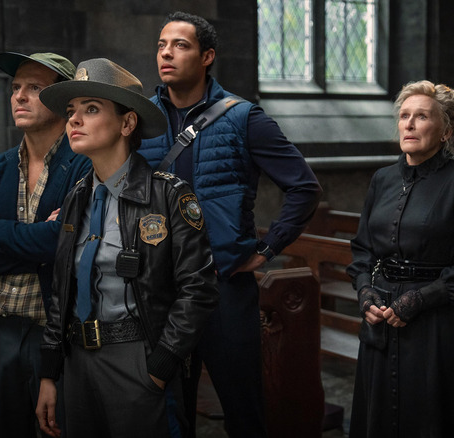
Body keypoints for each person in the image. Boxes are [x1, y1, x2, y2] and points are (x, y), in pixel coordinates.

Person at [138, 11, 322, 437]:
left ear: (208, 56)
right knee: (169, 413)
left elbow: (305, 188)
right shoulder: (139, 120)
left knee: (244, 411)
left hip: (223, 288)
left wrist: (267, 249)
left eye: (180, 45)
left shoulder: (243, 118)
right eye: (162, 45)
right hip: (159, 286)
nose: (167, 53)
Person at [33, 58, 219, 438]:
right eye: (71, 111)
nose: (74, 120)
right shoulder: (76, 198)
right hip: (77, 361)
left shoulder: (167, 195)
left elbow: (198, 289)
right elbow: (61, 289)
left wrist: (160, 366)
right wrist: (49, 373)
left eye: (91, 109)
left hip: (136, 358)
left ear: (127, 123)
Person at [0, 51, 90, 437]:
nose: (19, 96)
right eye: (15, 88)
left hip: (60, 335)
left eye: (34, 88)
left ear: (61, 100)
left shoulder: (84, 164)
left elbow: (66, 246)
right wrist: (39, 241)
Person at [345, 80, 454, 437]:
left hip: (437, 325)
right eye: (404, 116)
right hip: (381, 317)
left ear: (446, 131)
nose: (409, 124)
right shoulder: (382, 179)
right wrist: (365, 293)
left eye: (422, 117)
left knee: (432, 418)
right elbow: (363, 248)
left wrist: (419, 299)